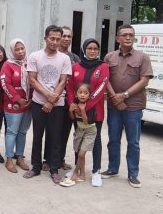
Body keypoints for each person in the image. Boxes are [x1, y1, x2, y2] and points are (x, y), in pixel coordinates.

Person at [103, 24, 153, 188]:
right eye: (124, 35)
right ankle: (112, 168)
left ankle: (133, 174)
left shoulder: (142, 57)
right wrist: (115, 98)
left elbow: (144, 81)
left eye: (131, 35)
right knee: (113, 139)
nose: (128, 37)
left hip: (133, 107)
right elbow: (105, 79)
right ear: (117, 38)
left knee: (133, 142)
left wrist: (124, 96)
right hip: (113, 107)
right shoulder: (109, 57)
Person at [24, 25, 71, 185]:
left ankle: (54, 169)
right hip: (38, 102)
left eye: (58, 39)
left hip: (57, 104)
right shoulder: (35, 56)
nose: (55, 42)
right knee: (37, 136)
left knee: (56, 137)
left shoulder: (64, 59)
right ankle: (36, 167)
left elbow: (63, 81)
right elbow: (32, 80)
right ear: (45, 38)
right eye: (52, 38)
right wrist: (47, 96)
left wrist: (52, 101)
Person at [66, 38, 110, 187]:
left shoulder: (103, 67)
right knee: (78, 139)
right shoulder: (75, 66)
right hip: (77, 111)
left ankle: (96, 171)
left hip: (95, 111)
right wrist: (72, 104)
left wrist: (86, 106)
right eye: (89, 48)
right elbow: (70, 87)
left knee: (95, 140)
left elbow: (101, 88)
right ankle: (78, 169)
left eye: (95, 49)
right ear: (84, 50)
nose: (92, 51)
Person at [0, 38, 32, 173]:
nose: (20, 51)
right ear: (12, 51)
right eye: (17, 49)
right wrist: (17, 99)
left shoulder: (29, 63)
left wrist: (31, 99)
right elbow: (5, 84)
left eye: (22, 48)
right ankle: (9, 159)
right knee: (12, 131)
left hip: (28, 103)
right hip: (13, 104)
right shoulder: (8, 65)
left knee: (22, 132)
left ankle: (19, 157)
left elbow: (34, 81)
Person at [59, 84, 97, 187]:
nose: (82, 95)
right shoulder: (75, 102)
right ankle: (83, 175)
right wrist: (70, 111)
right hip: (80, 130)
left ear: (89, 95)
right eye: (80, 92)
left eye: (85, 93)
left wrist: (83, 110)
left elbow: (87, 122)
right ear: (76, 94)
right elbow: (73, 118)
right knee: (80, 153)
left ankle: (76, 173)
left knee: (81, 154)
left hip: (89, 131)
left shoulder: (91, 105)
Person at [56, 26, 80, 171]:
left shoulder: (75, 59)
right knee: (53, 132)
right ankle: (48, 160)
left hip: (70, 101)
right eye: (63, 36)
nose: (66, 39)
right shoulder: (52, 55)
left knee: (65, 132)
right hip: (54, 100)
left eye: (68, 36)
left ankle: (60, 160)